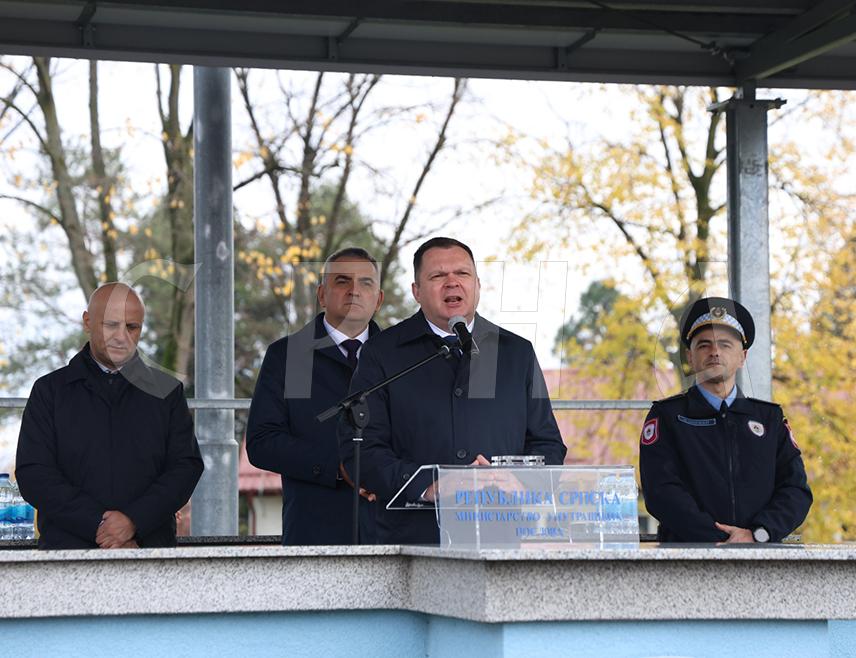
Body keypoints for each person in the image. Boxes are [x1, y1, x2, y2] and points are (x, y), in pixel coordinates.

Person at [342, 236, 566, 544]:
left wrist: (521, 481)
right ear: (416, 292)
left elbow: (548, 444)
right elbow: (361, 448)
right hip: (412, 538)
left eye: (462, 273)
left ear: (477, 285)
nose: (452, 283)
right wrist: (430, 484)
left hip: (501, 535)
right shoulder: (382, 352)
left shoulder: (516, 353)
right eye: (438, 275)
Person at [15, 283, 204, 549]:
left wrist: (134, 522)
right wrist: (101, 527)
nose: (121, 337)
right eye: (111, 325)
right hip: (67, 554)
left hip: (149, 552)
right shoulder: (50, 391)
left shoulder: (167, 391)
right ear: (87, 322)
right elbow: (34, 473)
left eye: (131, 327)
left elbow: (185, 468)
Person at [639, 296, 812, 543]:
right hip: (687, 555)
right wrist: (718, 538)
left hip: (760, 553)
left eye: (725, 344)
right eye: (704, 345)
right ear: (690, 357)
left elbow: (795, 490)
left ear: (743, 357)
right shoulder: (667, 416)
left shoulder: (769, 419)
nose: (715, 352)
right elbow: (660, 490)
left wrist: (757, 534)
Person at [246, 247, 384, 545]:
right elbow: (263, 442)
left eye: (366, 283)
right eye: (342, 281)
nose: (354, 291)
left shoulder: (400, 358)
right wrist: (338, 466)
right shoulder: (291, 356)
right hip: (314, 532)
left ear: (379, 299)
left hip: (389, 532)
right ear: (322, 295)